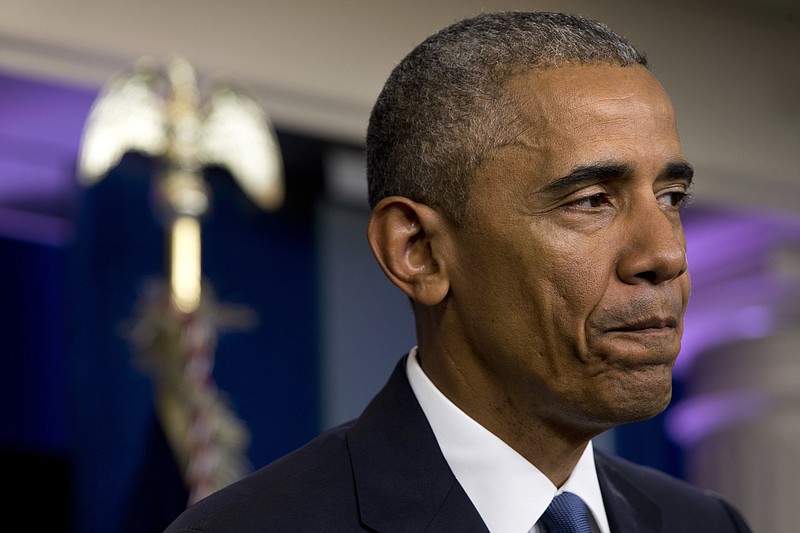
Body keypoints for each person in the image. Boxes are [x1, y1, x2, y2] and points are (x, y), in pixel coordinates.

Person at [165, 11, 752, 532]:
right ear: (417, 250)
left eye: (671, 197)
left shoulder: (705, 522)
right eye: (592, 200)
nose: (666, 256)